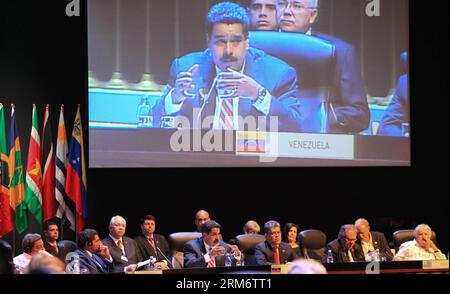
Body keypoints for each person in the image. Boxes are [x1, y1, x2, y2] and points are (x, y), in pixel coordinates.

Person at [163, 2, 302, 132]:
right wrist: (174, 98)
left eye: (235, 41)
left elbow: (296, 127)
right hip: (198, 153)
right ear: (209, 42)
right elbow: (152, 121)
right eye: (220, 42)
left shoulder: (277, 74)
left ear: (247, 42)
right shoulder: (186, 67)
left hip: (252, 155)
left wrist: (258, 95)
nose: (228, 50)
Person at [276, 0, 370, 134]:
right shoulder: (256, 47)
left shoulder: (339, 52)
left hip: (322, 141)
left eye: (296, 6)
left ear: (312, 15)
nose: (286, 11)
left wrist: (320, 117)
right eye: (282, 4)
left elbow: (359, 114)